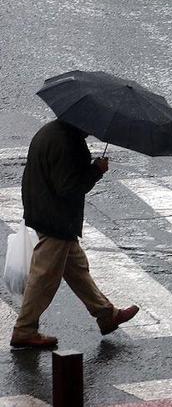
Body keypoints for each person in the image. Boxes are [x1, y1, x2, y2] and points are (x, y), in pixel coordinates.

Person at [10, 120, 139, 349]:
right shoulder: (67, 143)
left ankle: (106, 314)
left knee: (77, 268)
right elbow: (68, 187)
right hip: (55, 218)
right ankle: (24, 329)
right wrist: (95, 171)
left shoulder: (54, 131)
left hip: (45, 209)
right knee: (44, 276)